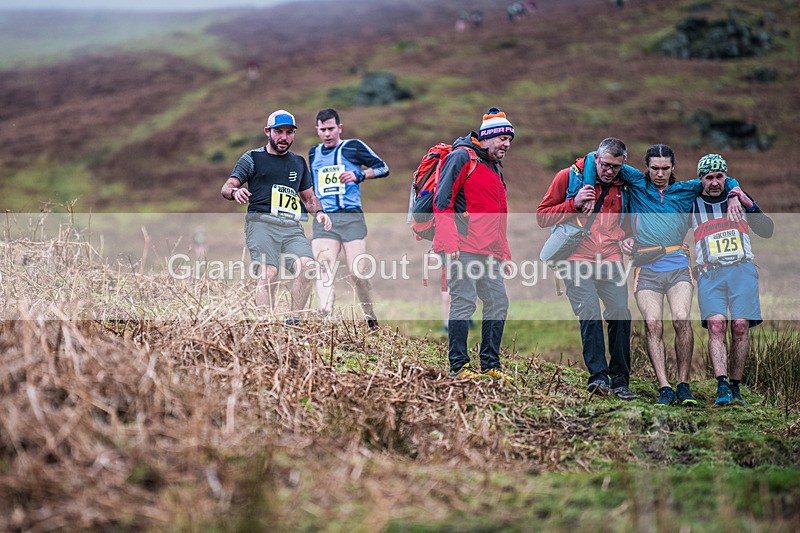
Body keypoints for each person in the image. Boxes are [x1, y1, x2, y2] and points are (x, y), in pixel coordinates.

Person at [582, 145, 742, 406]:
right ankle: (664, 387)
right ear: (646, 168)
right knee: (653, 323)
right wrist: (588, 191)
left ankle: (683, 385)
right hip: (646, 268)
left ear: (673, 168)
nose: (659, 174)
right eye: (654, 168)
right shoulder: (635, 181)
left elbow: (721, 178)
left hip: (678, 264)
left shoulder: (686, 189)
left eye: (665, 168)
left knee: (681, 320)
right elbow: (592, 157)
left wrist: (734, 194)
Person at [537, 138, 636, 400]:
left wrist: (629, 236)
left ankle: (620, 380)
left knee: (620, 313)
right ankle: (598, 377)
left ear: (623, 164)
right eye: (604, 165)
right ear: (596, 158)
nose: (609, 171)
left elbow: (628, 222)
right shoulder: (569, 177)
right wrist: (574, 203)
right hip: (576, 259)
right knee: (589, 312)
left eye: (615, 166)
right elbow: (542, 216)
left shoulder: (625, 187)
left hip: (612, 259)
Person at [221, 109, 332, 323]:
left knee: (308, 268)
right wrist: (235, 192)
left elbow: (309, 198)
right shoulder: (252, 158)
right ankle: (266, 326)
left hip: (291, 228)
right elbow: (227, 187)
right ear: (267, 132)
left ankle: (293, 322)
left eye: (289, 132)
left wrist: (319, 212)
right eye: (279, 131)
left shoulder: (298, 162)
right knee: (269, 272)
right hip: (261, 224)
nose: (284, 137)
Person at [434, 108, 515, 381]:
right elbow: (442, 202)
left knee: (498, 301)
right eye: (503, 138)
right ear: (488, 136)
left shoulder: (493, 165)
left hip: (488, 251)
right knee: (464, 302)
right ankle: (459, 366)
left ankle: (490, 365)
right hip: (461, 247)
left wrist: (503, 251)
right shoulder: (461, 157)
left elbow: (499, 213)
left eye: (509, 140)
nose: (506, 144)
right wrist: (449, 241)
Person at [691, 154, 773, 407]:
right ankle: (722, 385)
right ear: (701, 180)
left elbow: (767, 230)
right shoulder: (692, 202)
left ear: (726, 176)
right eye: (709, 178)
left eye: (719, 176)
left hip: (742, 269)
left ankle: (736, 387)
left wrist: (748, 201)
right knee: (716, 326)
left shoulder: (738, 197)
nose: (715, 182)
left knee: (739, 325)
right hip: (710, 272)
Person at [309, 108, 389, 329]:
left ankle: (370, 316)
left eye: (331, 129)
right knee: (324, 266)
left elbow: (383, 168)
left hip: (351, 216)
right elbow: (312, 186)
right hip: (325, 217)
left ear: (339, 128)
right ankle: (326, 315)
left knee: (357, 272)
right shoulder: (313, 153)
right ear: (317, 129)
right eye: (323, 129)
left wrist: (359, 175)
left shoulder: (353, 147)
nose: (327, 134)